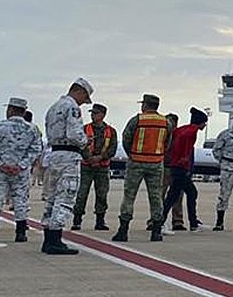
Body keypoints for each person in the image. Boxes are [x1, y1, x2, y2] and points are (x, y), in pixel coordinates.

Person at [0, 96, 43, 243]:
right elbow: (36, 150)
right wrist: (21, 165)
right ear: (23, 111)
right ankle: (21, 232)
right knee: (20, 200)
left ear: (11, 109)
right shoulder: (32, 129)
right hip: (20, 172)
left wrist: (0, 163)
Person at [40, 78, 93, 256]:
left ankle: (48, 239)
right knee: (66, 197)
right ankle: (55, 239)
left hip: (54, 154)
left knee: (52, 197)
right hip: (69, 155)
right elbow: (74, 134)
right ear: (80, 92)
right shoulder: (72, 108)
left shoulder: (53, 107)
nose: (83, 103)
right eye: (84, 99)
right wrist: (85, 141)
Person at [116, 95, 170, 242]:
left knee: (129, 196)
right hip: (156, 162)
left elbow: (126, 138)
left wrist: (132, 154)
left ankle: (123, 230)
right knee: (156, 197)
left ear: (145, 105)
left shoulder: (137, 120)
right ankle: (156, 231)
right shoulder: (166, 122)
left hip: (136, 162)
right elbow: (167, 142)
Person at [159, 107, 209, 233]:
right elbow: (185, 151)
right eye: (204, 123)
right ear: (200, 122)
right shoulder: (191, 133)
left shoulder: (182, 129)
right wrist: (184, 164)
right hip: (180, 167)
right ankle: (160, 222)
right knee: (174, 196)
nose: (205, 125)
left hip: (174, 166)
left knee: (188, 193)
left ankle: (193, 223)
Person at [72, 103, 118, 231]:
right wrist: (89, 158)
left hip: (102, 167)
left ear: (103, 115)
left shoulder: (111, 131)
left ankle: (100, 220)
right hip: (87, 166)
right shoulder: (84, 129)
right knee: (82, 194)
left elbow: (112, 148)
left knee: (102, 194)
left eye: (96, 113)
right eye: (92, 113)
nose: (93, 115)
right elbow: (80, 145)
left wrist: (100, 158)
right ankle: (77, 219)